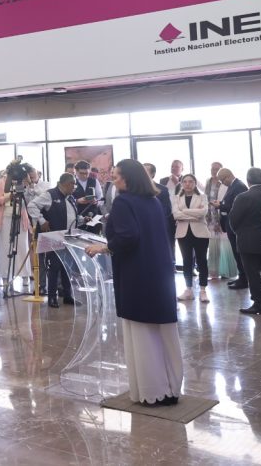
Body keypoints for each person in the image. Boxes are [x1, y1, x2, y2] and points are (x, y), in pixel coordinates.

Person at [84, 160, 182, 407]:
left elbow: (128, 236)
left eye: (117, 177)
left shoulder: (124, 201)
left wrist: (103, 246)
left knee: (142, 333)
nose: (114, 181)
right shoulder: (154, 201)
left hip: (137, 272)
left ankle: (151, 390)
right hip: (159, 272)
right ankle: (170, 387)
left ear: (129, 178)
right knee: (163, 332)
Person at [228, 168, 261, 315]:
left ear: (247, 180)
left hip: (247, 239)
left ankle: (258, 303)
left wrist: (240, 233)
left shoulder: (242, 197)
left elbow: (234, 220)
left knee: (252, 273)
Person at [31, 173, 79, 308]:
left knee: (66, 267)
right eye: (73, 184)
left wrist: (81, 220)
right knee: (54, 267)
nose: (74, 187)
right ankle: (52, 297)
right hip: (53, 235)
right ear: (65, 183)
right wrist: (42, 220)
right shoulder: (49, 194)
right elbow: (32, 206)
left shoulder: (70, 198)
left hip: (69, 236)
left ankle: (67, 295)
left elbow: (69, 215)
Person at [173, 174, 211, 303]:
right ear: (182, 184)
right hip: (183, 233)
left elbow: (203, 213)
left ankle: (203, 290)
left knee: (202, 261)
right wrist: (194, 214)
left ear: (195, 183)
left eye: (191, 182)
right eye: (185, 182)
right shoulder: (176, 198)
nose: (188, 184)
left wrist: (184, 212)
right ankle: (188, 290)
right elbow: (176, 214)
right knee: (186, 261)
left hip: (200, 232)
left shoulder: (202, 197)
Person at [0, 170, 33, 285]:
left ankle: (25, 275)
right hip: (5, 218)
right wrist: (10, 195)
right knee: (5, 248)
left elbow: (27, 194)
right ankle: (6, 277)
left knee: (22, 246)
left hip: (20, 218)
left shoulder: (21, 182)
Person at [216, 168, 247, 288]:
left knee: (239, 253)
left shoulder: (238, 186)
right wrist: (221, 203)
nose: (223, 182)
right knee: (236, 253)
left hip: (236, 226)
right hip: (230, 224)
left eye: (223, 179)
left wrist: (221, 205)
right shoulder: (233, 185)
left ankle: (244, 279)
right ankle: (242, 277)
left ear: (229, 175)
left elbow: (237, 206)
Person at [144, 163, 176, 258]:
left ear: (153, 174)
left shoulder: (163, 189)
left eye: (146, 171)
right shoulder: (133, 190)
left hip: (158, 226)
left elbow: (167, 209)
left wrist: (153, 217)